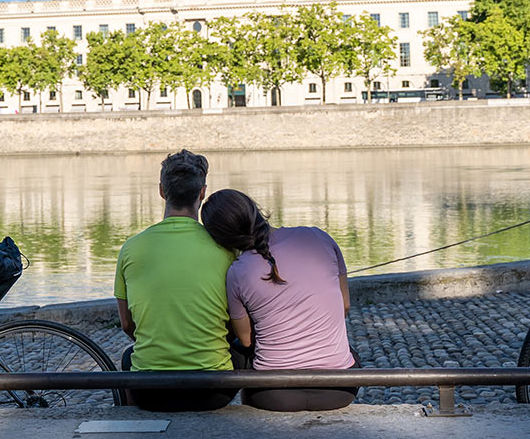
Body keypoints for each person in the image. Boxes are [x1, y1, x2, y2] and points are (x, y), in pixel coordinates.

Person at [201, 188, 359, 411]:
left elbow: (246, 341)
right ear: (255, 210)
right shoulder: (318, 237)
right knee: (350, 352)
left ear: (222, 239)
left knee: (238, 350)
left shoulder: (237, 272)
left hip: (273, 395)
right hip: (339, 390)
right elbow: (344, 305)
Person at [114, 149, 246, 411]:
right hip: (214, 392)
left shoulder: (131, 248)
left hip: (150, 394)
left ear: (162, 191)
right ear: (202, 192)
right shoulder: (226, 249)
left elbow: (128, 324)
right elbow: (238, 321)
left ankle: (130, 420)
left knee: (130, 357)